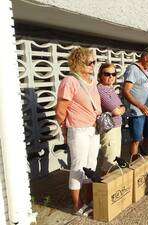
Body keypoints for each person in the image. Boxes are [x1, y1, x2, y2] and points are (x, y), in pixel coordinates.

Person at [55, 47, 101, 215]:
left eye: (94, 62)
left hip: (93, 129)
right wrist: (65, 130)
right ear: (79, 62)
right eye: (90, 62)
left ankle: (89, 200)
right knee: (78, 167)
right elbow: (60, 111)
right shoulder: (69, 81)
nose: (93, 65)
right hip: (78, 129)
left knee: (91, 165)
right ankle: (77, 205)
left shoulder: (92, 81)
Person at [123, 47, 148, 158]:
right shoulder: (133, 69)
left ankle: (146, 158)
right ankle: (134, 163)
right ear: (146, 57)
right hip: (138, 112)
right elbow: (126, 91)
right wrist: (141, 106)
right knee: (136, 139)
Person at [97, 63, 125, 175]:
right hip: (109, 129)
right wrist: (120, 108)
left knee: (114, 158)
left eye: (113, 74)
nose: (111, 77)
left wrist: (120, 108)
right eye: (107, 74)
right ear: (100, 75)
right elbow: (117, 111)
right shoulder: (101, 90)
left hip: (116, 127)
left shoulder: (110, 89)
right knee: (109, 161)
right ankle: (104, 189)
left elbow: (121, 107)